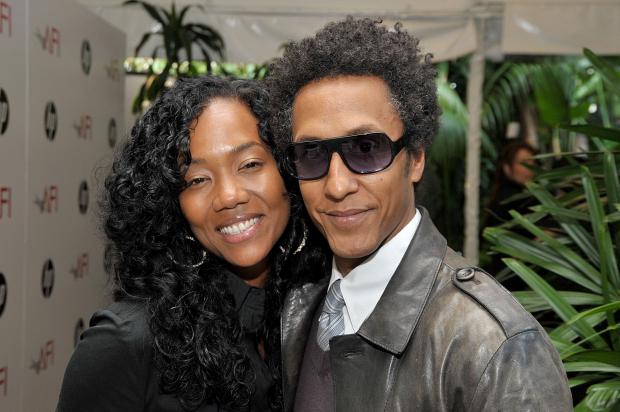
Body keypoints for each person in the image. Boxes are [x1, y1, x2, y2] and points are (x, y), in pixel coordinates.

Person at [266, 18, 573, 411]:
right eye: (312, 154)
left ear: (415, 159)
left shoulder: (494, 347)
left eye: (366, 149)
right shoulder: (297, 305)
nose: (337, 185)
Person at [56, 76, 318, 412]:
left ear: (288, 171)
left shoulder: (314, 312)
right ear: (171, 204)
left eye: (250, 164)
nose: (229, 196)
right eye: (197, 180)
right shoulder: (125, 344)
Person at [486, 141, 537, 226]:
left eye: (533, 162)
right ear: (507, 168)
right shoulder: (512, 199)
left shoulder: (500, 195)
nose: (530, 168)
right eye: (524, 163)